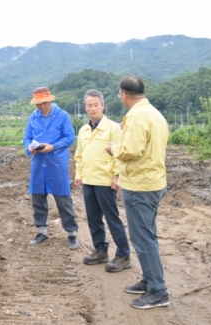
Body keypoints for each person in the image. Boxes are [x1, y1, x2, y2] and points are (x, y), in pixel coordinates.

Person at [105, 76, 170, 309]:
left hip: (140, 186)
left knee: (143, 239)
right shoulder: (154, 113)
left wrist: (113, 148)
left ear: (123, 94)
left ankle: (158, 291)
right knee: (147, 235)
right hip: (153, 182)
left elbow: (131, 150)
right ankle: (149, 279)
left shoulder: (136, 115)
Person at [74, 89, 131, 272]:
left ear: (103, 105)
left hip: (106, 180)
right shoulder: (83, 130)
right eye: (89, 105)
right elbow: (79, 156)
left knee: (112, 218)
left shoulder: (113, 128)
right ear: (85, 107)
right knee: (93, 218)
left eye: (96, 104)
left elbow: (120, 154)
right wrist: (79, 174)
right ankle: (101, 250)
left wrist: (117, 175)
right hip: (89, 180)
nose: (93, 108)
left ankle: (123, 255)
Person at [23, 86, 79, 250]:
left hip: (56, 162)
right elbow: (26, 137)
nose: (40, 107)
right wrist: (29, 148)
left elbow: (69, 137)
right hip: (39, 163)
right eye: (38, 104)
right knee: (38, 197)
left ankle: (72, 233)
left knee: (63, 199)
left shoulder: (62, 116)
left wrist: (53, 146)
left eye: (43, 103)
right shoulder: (33, 118)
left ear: (49, 100)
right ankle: (42, 231)